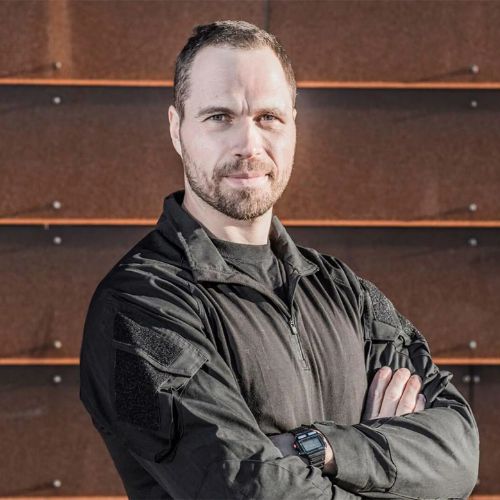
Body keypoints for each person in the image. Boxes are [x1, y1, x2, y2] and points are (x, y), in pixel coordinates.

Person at [79, 20, 479, 500]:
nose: (248, 146)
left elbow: (459, 453)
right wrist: (390, 467)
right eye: (219, 117)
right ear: (176, 129)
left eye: (268, 117)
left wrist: (321, 448)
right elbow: (248, 490)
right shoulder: (140, 307)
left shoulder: (344, 292)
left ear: (293, 126)